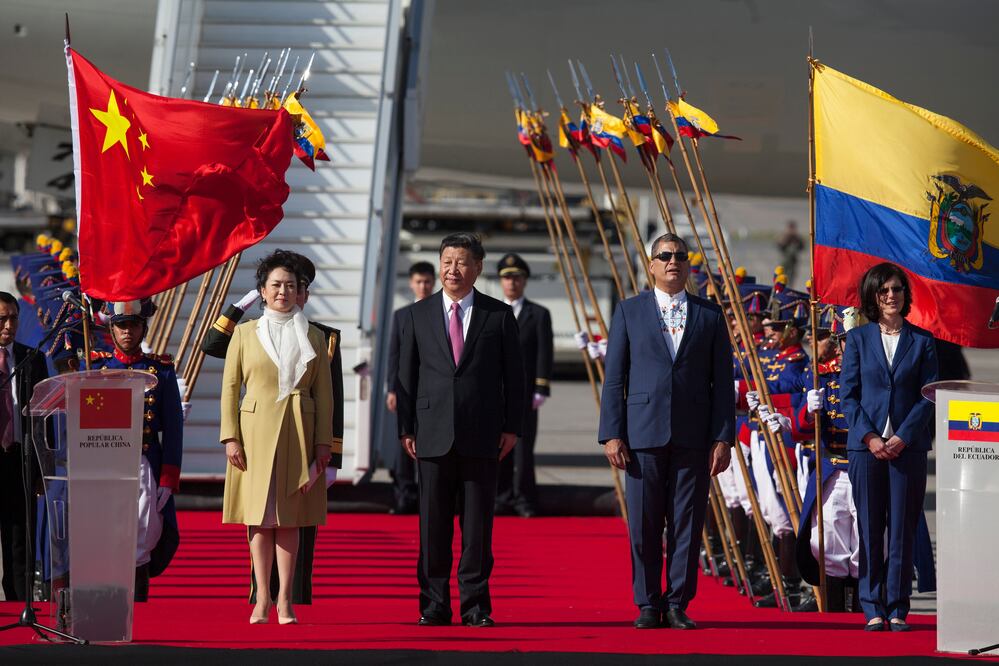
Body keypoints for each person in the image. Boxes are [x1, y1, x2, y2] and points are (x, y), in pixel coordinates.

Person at [598, 233, 735, 630]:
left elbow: (722, 383)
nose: (673, 261)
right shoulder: (629, 311)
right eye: (665, 256)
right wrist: (611, 433)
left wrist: (723, 437)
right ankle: (647, 602)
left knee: (687, 525)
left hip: (693, 437)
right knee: (643, 524)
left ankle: (677, 602)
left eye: (680, 256)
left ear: (688, 265)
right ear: (652, 264)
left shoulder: (709, 314)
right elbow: (614, 379)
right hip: (642, 436)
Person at [396, 232, 525, 627]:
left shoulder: (498, 315)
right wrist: (406, 429)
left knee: (477, 529)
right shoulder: (416, 315)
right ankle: (433, 604)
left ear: (478, 267)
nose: (453, 269)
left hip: (482, 435)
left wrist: (512, 428)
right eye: (447, 261)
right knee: (432, 528)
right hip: (431, 434)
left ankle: (475, 606)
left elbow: (514, 378)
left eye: (462, 261)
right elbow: (406, 375)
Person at [202, 250, 344, 606]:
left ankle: (290, 596)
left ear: (303, 294)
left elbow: (331, 396)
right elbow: (219, 359)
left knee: (295, 519)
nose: (286, 291)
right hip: (257, 431)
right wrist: (238, 307)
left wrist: (330, 450)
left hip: (301, 433)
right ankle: (261, 594)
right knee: (259, 515)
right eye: (276, 285)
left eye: (294, 286)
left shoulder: (320, 336)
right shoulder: (247, 332)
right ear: (264, 290)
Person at [840, 262, 938, 632]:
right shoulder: (858, 340)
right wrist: (871, 437)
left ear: (905, 295)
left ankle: (898, 606)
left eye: (897, 290)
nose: (891, 296)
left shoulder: (923, 340)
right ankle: (872, 606)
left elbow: (929, 395)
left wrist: (902, 437)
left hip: (906, 448)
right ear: (873, 297)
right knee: (869, 528)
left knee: (901, 529)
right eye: (884, 291)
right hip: (866, 449)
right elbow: (848, 397)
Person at [88, 298, 184, 601]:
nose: (128, 332)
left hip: (144, 464)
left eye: (134, 325)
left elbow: (173, 429)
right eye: (121, 326)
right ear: (112, 329)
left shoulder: (162, 371)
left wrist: (168, 476)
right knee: (106, 536)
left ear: (143, 328)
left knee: (143, 534)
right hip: (105, 464)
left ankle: (139, 603)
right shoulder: (95, 367)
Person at [494, 253, 553, 518]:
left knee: (524, 451)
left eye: (516, 278)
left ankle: (525, 500)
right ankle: (501, 497)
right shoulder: (491, 312)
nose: (511, 283)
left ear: (525, 281)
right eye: (507, 278)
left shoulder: (538, 314)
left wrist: (541, 387)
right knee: (497, 448)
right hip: (497, 393)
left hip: (526, 393)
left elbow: (544, 353)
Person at [0, 291, 48, 601]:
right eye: (1, 318)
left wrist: (44, 468)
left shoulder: (33, 359)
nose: (8, 325)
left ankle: (20, 603)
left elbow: (44, 417)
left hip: (19, 458)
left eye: (13, 318)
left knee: (19, 537)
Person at [384, 261, 435, 514]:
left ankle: (431, 498)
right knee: (404, 441)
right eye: (419, 282)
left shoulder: (441, 311)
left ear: (433, 282)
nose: (423, 286)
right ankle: (404, 495)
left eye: (427, 281)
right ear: (411, 284)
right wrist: (391, 389)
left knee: (434, 443)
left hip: (434, 390)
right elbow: (394, 355)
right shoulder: (401, 315)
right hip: (406, 389)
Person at [776, 221, 804, 287]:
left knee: (791, 278)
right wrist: (787, 237)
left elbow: (802, 247)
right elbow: (780, 245)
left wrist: (796, 238)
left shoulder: (797, 237)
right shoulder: (784, 236)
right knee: (782, 277)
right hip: (785, 261)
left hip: (793, 261)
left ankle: (789, 289)